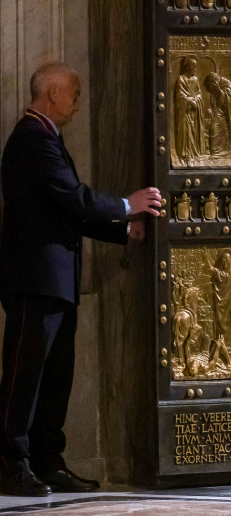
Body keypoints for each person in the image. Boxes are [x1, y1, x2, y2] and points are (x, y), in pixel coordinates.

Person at [0, 62, 161, 496]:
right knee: (25, 376)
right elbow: (75, 198)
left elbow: (65, 211)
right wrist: (126, 206)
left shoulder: (48, 137)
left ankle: (47, 460)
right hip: (35, 282)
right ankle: (11, 463)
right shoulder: (31, 139)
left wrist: (120, 230)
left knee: (56, 379)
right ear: (52, 93)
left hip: (56, 282)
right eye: (74, 93)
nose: (77, 101)